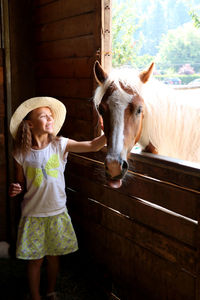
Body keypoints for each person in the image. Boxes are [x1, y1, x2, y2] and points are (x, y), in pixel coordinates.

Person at [9, 96, 106, 300]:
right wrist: (15, 188)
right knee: (36, 260)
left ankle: (51, 291)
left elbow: (92, 145)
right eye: (44, 116)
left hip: (56, 212)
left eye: (51, 116)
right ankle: (35, 296)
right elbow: (21, 183)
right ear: (30, 123)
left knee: (54, 257)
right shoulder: (21, 153)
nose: (50, 119)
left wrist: (109, 132)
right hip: (33, 214)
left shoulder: (60, 145)